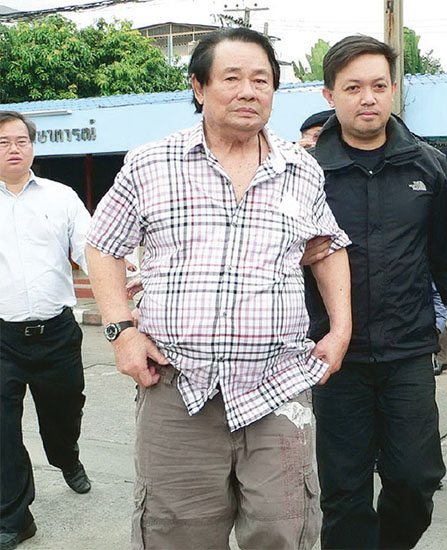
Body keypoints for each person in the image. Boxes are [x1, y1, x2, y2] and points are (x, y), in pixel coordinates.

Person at [85, 28, 351, 550]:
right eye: (232, 78)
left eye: (262, 80)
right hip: (176, 384)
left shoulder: (300, 168)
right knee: (176, 532)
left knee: (282, 529)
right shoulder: (151, 163)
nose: (249, 91)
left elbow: (327, 247)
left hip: (277, 386)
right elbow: (103, 245)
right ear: (200, 87)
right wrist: (121, 331)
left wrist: (341, 327)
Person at [304, 35, 447, 549]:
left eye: (379, 86)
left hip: (407, 352)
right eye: (353, 87)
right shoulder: (306, 172)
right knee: (344, 493)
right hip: (334, 358)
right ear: (329, 95)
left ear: (393, 91)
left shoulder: (426, 165)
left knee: (415, 479)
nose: (368, 98)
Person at [0, 111, 93, 550]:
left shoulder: (61, 197)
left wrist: (123, 280)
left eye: (21, 140)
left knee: (63, 414)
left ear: (33, 146)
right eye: (3, 142)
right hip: (1, 339)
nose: (13, 149)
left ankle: (66, 457)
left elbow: (91, 250)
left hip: (56, 334)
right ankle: (15, 517)